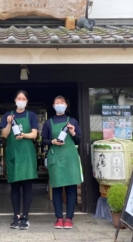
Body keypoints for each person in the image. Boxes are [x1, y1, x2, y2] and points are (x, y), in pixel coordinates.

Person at [41, 95, 83, 229]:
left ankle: (69, 218)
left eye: (62, 102)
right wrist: (52, 141)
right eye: (57, 103)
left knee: (71, 189)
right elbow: (43, 140)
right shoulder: (49, 122)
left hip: (70, 158)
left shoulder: (73, 121)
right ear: (53, 106)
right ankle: (59, 218)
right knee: (57, 189)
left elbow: (78, 140)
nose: (60, 104)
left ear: (66, 105)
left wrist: (72, 132)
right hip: (56, 158)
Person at [0, 90, 38, 230]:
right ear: (15, 99)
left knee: (27, 186)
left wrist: (23, 135)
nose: (21, 100)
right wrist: (9, 124)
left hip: (27, 154)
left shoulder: (31, 115)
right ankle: (16, 216)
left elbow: (34, 134)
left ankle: (25, 216)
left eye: (23, 98)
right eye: (19, 98)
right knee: (14, 186)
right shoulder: (7, 115)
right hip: (13, 154)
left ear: (27, 101)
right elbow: (4, 134)